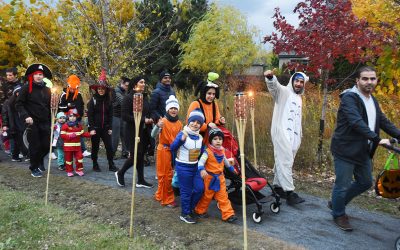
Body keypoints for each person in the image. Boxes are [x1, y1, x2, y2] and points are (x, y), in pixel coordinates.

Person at [329, 66, 400, 231]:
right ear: (357, 81)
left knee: (365, 181)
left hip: (363, 150)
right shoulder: (349, 98)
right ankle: (338, 213)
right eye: (365, 79)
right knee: (342, 185)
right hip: (345, 150)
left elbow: (383, 121)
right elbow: (356, 122)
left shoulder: (371, 99)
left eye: (372, 79)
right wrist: (378, 139)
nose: (369, 82)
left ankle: (336, 202)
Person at [264, 69, 308, 205]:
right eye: (297, 81)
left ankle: (277, 187)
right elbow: (274, 87)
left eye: (301, 82)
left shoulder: (299, 98)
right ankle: (290, 192)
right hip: (281, 132)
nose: (299, 84)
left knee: (284, 161)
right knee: (285, 160)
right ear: (292, 81)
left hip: (294, 136)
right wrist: (270, 78)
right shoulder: (283, 92)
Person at [115, 76, 154, 188]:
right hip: (132, 131)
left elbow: (148, 110)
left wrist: (151, 118)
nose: (144, 84)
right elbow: (125, 116)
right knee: (135, 155)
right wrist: (143, 120)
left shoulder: (144, 97)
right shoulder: (128, 98)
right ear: (135, 84)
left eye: (144, 82)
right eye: (141, 82)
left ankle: (140, 180)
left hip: (144, 131)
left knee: (141, 155)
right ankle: (120, 172)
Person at [16, 64, 52, 177]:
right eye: (36, 74)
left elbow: (50, 106)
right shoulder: (26, 88)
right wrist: (26, 116)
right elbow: (19, 104)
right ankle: (34, 167)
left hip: (45, 121)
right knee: (35, 145)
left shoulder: (47, 90)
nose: (38, 76)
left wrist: (53, 119)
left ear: (43, 76)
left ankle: (39, 160)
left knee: (47, 145)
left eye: (40, 74)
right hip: (32, 121)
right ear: (32, 76)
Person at [194, 128, 237, 223]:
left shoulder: (222, 151)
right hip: (209, 178)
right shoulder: (207, 152)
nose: (218, 141)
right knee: (207, 196)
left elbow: (225, 162)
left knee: (223, 197)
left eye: (220, 139)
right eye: (215, 139)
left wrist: (231, 169)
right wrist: (201, 170)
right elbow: (200, 162)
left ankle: (228, 215)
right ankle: (200, 210)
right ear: (211, 140)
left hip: (220, 178)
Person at [170, 108, 205, 224]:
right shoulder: (183, 133)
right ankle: (185, 214)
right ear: (188, 121)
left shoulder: (200, 137)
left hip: (194, 167)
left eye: (198, 122)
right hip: (183, 167)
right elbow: (172, 148)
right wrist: (181, 140)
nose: (195, 124)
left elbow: (203, 153)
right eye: (193, 121)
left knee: (200, 188)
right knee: (186, 192)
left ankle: (190, 209)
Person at [152, 95, 182, 207]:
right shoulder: (162, 121)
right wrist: (157, 126)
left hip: (174, 150)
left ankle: (160, 194)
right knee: (164, 175)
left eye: (175, 108)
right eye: (171, 108)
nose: (173, 110)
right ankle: (167, 199)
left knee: (169, 174)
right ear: (167, 109)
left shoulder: (179, 123)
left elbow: (179, 138)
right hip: (163, 150)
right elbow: (153, 134)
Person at [87, 69, 118, 172]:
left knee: (109, 146)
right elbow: (90, 115)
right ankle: (95, 164)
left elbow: (110, 115)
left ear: (106, 90)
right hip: (95, 128)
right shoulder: (93, 100)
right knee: (95, 147)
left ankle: (111, 164)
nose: (101, 90)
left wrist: (110, 128)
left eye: (103, 89)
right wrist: (91, 128)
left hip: (105, 128)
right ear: (97, 89)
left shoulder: (108, 101)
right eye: (99, 89)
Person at [187, 72, 225, 144]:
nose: (212, 96)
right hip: (196, 139)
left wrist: (220, 121)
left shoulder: (214, 104)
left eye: (213, 94)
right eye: (209, 93)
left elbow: (216, 119)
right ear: (203, 93)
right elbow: (190, 123)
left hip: (211, 138)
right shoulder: (195, 104)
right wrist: (207, 126)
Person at [58, 74, 91, 157]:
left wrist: (80, 114)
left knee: (79, 133)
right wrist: (68, 106)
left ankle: (83, 150)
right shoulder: (64, 94)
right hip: (67, 118)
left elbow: (81, 105)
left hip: (77, 118)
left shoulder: (79, 94)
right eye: (71, 88)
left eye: (74, 88)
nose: (73, 90)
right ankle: (64, 150)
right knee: (67, 134)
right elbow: (60, 106)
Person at [60, 108, 91, 177]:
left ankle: (79, 170)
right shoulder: (65, 126)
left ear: (76, 117)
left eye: (74, 116)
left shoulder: (79, 126)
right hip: (68, 147)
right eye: (70, 116)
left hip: (77, 147)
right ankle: (69, 171)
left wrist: (90, 134)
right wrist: (70, 136)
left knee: (80, 158)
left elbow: (82, 134)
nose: (72, 118)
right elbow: (62, 135)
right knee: (68, 160)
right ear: (68, 117)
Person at [2, 85, 28, 161]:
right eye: (18, 92)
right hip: (13, 124)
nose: (19, 94)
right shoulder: (8, 102)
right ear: (15, 93)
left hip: (22, 123)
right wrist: (5, 125)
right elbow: (4, 114)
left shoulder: (23, 102)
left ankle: (15, 156)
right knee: (19, 140)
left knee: (18, 141)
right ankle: (26, 154)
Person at [112, 77, 130, 159]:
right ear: (122, 83)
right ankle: (112, 153)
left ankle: (125, 152)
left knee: (125, 134)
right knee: (115, 136)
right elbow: (123, 101)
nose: (127, 87)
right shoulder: (116, 91)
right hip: (115, 115)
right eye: (126, 85)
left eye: (128, 86)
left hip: (123, 116)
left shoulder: (125, 92)